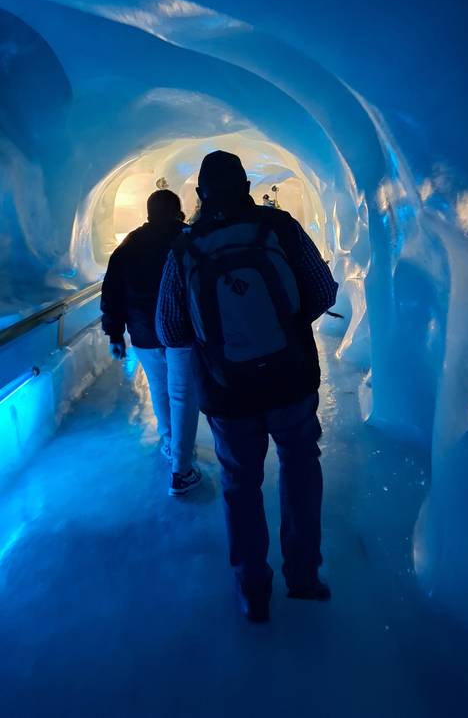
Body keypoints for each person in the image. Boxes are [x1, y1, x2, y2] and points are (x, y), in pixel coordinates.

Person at [156, 151, 338, 621]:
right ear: (246, 186)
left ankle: (252, 591)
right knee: (300, 469)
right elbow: (324, 290)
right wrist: (285, 328)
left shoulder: (185, 248)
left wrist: (222, 341)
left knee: (240, 483)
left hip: (227, 390)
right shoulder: (280, 228)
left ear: (201, 194)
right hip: (290, 378)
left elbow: (170, 329)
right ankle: (304, 577)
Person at [101, 189, 201, 497]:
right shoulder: (189, 238)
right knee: (183, 395)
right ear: (176, 210)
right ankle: (181, 468)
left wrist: (115, 333)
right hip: (182, 332)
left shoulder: (129, 244)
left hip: (144, 333)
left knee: (160, 390)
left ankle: (171, 443)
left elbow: (113, 292)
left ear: (148, 212)